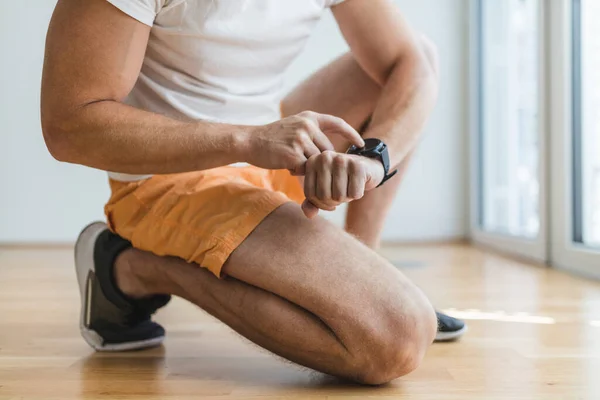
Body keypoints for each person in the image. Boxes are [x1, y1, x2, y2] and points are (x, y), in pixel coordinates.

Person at [41, 0, 466, 385]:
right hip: (166, 182)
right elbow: (69, 124)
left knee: (416, 58)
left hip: (268, 150)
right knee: (396, 337)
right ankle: (130, 265)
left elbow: (409, 64)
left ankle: (367, 262)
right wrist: (246, 140)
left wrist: (371, 160)